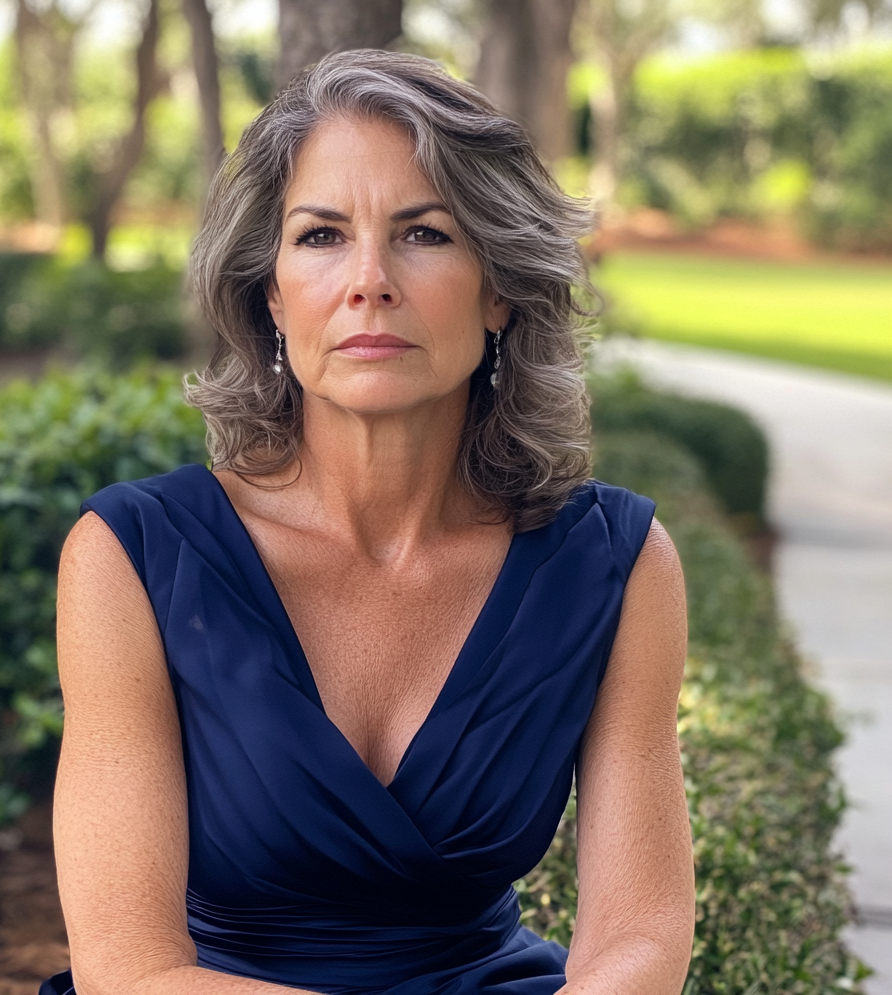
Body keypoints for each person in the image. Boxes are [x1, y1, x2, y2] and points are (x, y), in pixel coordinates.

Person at [42, 49, 694, 995]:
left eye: (424, 233)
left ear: (500, 288)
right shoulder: (131, 558)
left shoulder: (615, 565)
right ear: (272, 294)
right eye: (321, 236)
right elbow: (129, 970)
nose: (369, 281)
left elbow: (639, 938)